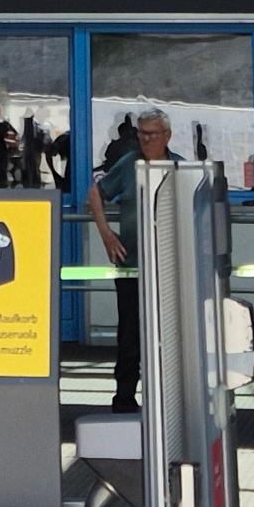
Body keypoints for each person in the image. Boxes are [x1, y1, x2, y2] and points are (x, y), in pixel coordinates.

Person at [92, 107, 173, 415]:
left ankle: (167, 396)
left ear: (167, 136)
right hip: (132, 266)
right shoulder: (128, 165)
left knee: (169, 334)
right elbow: (95, 193)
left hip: (169, 268)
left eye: (151, 134)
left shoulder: (180, 168)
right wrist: (106, 235)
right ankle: (124, 398)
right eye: (141, 134)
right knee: (130, 335)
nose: (146, 140)